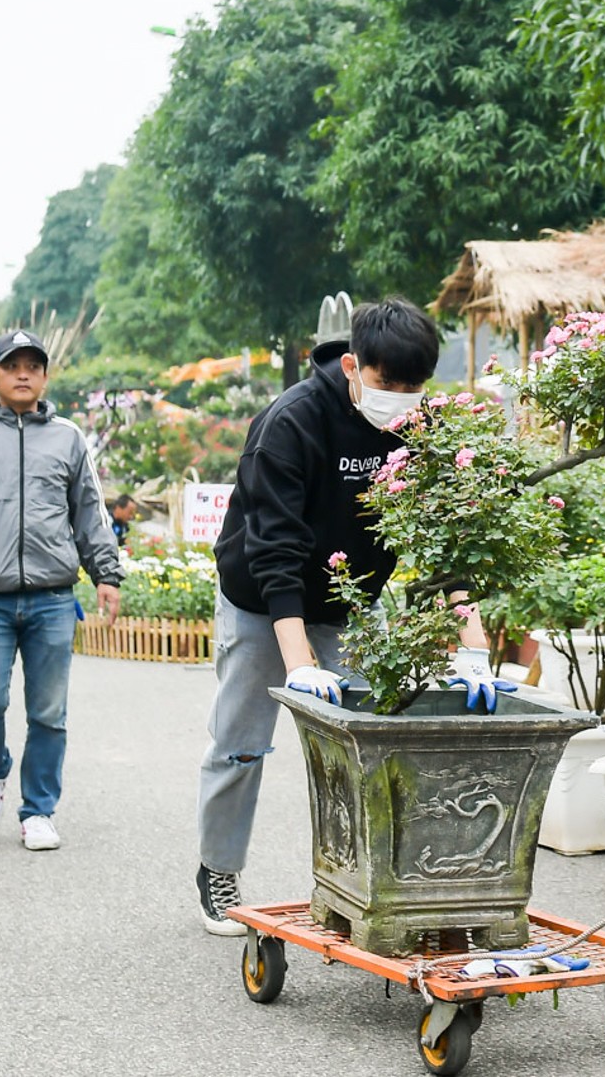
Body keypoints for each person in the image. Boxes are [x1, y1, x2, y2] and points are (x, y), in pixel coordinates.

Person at [194, 296, 441, 936]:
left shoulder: (418, 426)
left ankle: (368, 883)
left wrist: (469, 644)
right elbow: (274, 548)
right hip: (262, 599)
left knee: (372, 743)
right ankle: (218, 871)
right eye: (390, 385)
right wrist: (298, 662)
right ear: (354, 366)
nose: (403, 399)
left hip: (350, 600)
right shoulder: (292, 421)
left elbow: (444, 529)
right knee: (242, 744)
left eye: (416, 387)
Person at [0, 330, 124, 852]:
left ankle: (38, 811)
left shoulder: (68, 438)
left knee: (48, 712)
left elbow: (90, 513)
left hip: (54, 598)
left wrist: (107, 575)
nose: (24, 373)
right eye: (12, 366)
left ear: (45, 376)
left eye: (33, 365)